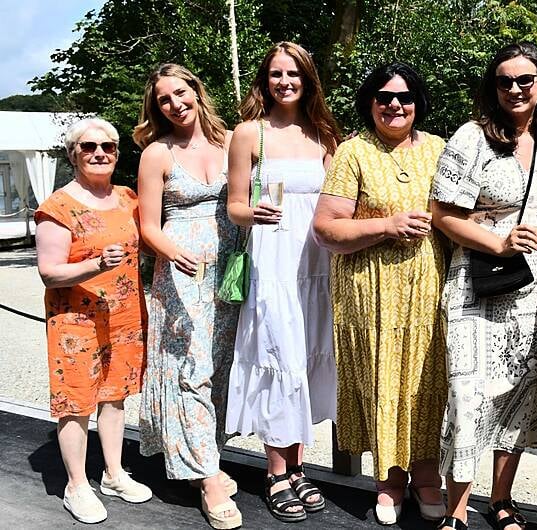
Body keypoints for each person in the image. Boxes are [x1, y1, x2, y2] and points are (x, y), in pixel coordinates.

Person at [430, 41, 537, 530]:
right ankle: (455, 509)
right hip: (479, 283)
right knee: (468, 395)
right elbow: (442, 214)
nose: (515, 89)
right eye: (505, 81)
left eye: (525, 80)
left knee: (523, 394)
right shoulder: (472, 137)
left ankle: (501, 499)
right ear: (493, 88)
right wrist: (497, 241)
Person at [313, 62, 448, 525]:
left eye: (405, 97)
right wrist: (386, 226)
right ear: (370, 102)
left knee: (427, 383)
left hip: (428, 288)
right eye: (385, 97)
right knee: (382, 381)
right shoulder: (353, 152)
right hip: (368, 291)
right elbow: (325, 229)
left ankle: (429, 476)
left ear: (418, 104)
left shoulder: (440, 149)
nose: (395, 105)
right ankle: (389, 481)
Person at [225, 41, 341, 523]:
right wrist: (252, 212)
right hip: (272, 260)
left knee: (307, 356)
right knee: (278, 355)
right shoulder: (249, 133)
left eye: (293, 73)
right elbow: (233, 206)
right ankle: (275, 472)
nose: (285, 81)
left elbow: (340, 204)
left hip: (318, 263)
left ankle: (297, 467)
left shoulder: (325, 135)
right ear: (264, 79)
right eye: (275, 74)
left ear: (308, 79)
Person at [133, 63, 241, 529]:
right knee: (191, 370)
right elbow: (148, 227)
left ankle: (205, 456)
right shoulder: (157, 154)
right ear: (156, 108)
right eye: (163, 100)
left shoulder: (233, 141)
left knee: (220, 368)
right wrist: (174, 253)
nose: (175, 104)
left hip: (232, 268)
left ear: (197, 91)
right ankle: (210, 478)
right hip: (182, 272)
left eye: (181, 93)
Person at [35, 118, 152, 524]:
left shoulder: (127, 198)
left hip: (123, 315)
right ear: (73, 154)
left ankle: (114, 473)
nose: (100, 153)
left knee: (114, 395)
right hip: (76, 320)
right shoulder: (58, 207)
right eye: (88, 147)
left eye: (109, 146)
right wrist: (95, 264)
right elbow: (48, 272)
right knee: (76, 402)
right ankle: (76, 485)